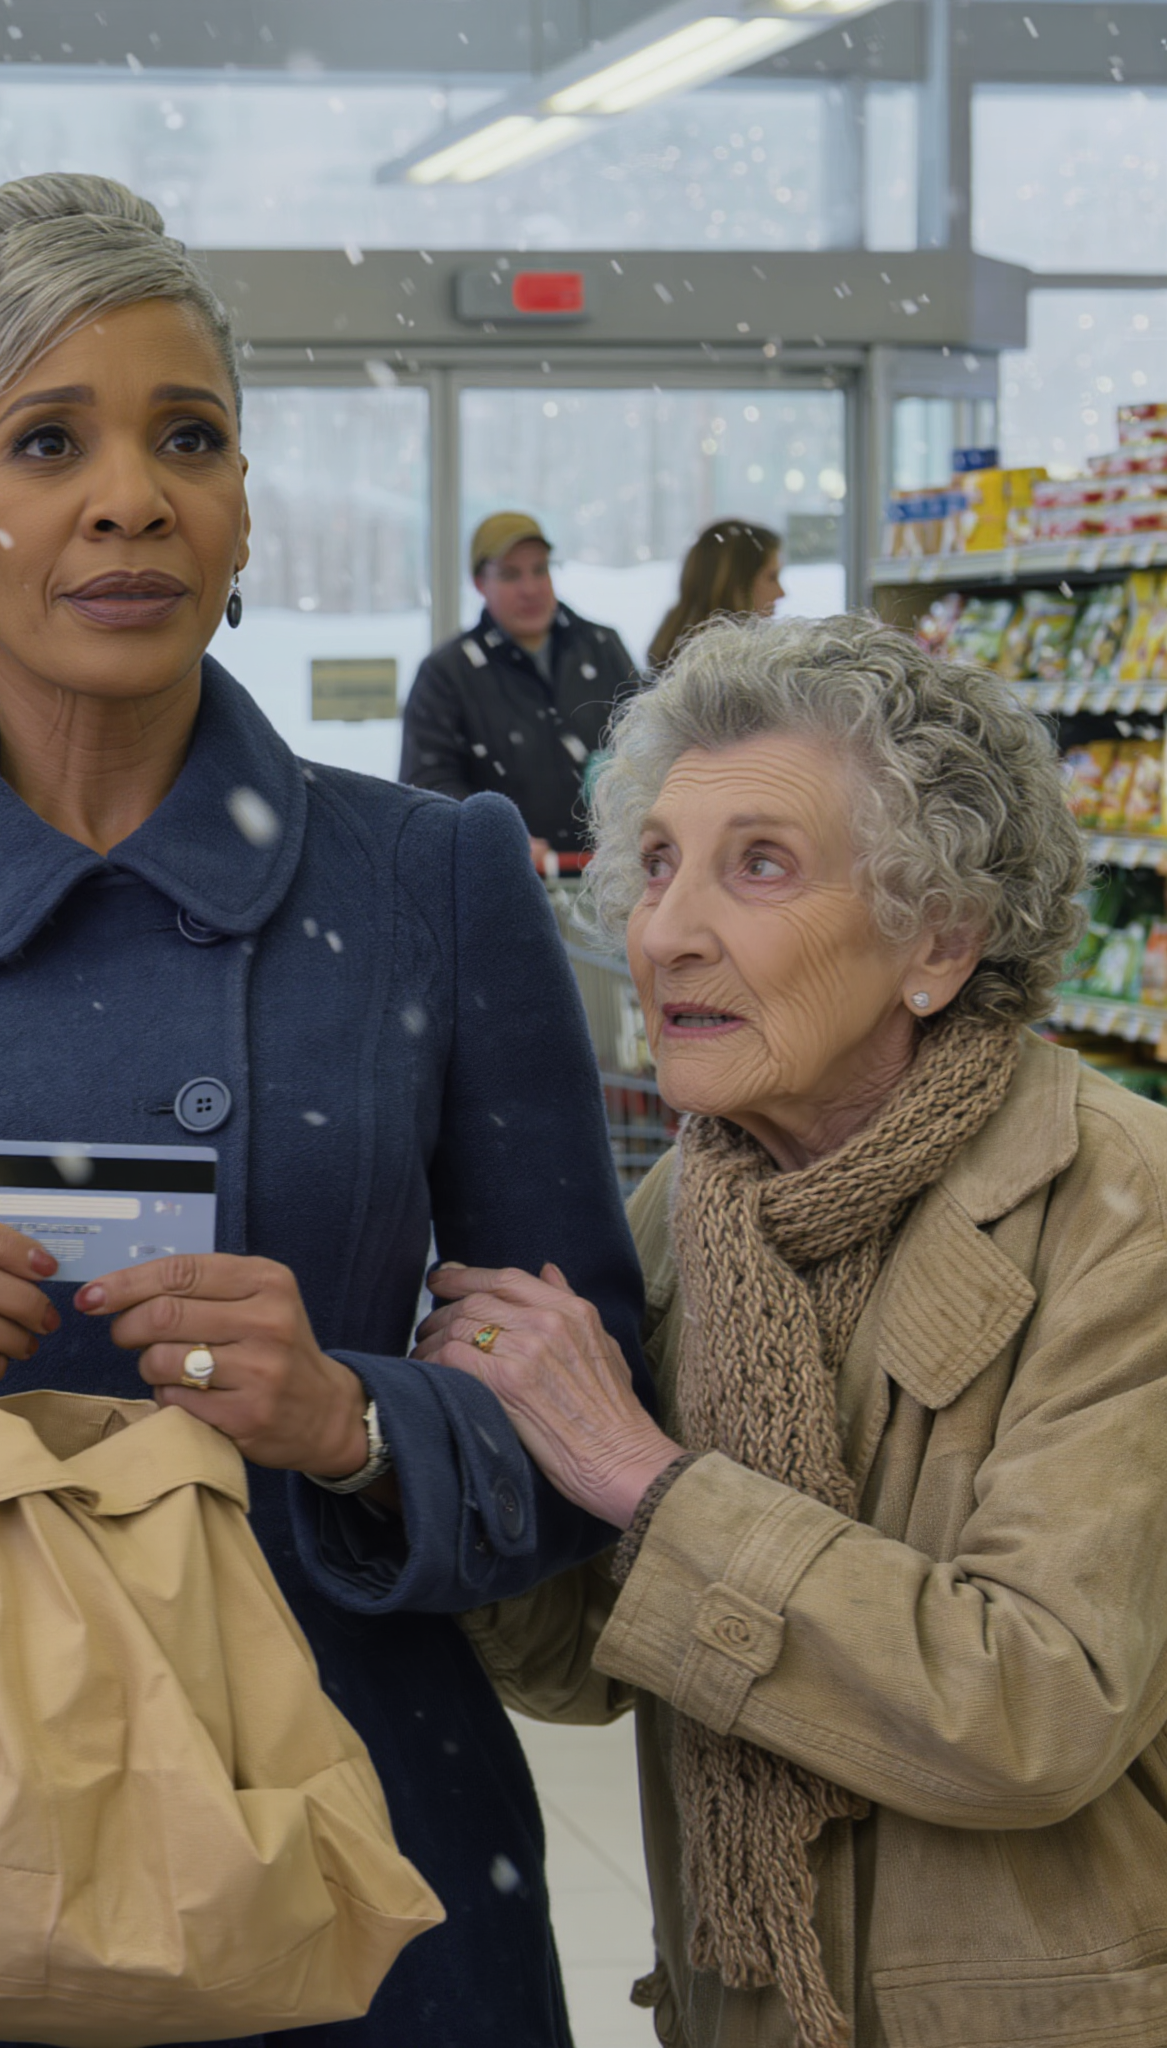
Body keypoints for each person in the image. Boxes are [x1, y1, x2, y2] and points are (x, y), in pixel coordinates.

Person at [0, 173, 651, 2045]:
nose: (128, 495)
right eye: (47, 439)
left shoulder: (434, 876)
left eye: (187, 438)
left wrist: (350, 1416)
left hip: (348, 1845)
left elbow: (590, 1426)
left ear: (238, 511)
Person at [441, 613, 1167, 2047]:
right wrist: (424, 1445)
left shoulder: (1122, 1215)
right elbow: (578, 1665)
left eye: (758, 865)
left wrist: (647, 1482)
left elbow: (1034, 1707)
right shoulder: (681, 1220)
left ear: (939, 940)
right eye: (656, 864)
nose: (667, 930)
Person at [397, 511, 637, 865]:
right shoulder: (446, 674)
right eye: (510, 575)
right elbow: (429, 786)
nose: (530, 589)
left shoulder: (602, 647)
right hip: (506, 883)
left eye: (540, 570)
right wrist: (500, 837)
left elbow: (647, 747)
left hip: (611, 879)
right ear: (480, 583)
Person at [645, 520, 784, 671]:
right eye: (771, 577)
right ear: (734, 584)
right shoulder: (734, 671)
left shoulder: (675, 660)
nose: (781, 593)